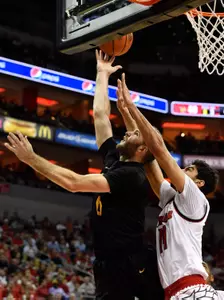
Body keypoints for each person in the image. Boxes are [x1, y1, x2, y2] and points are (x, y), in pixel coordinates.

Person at [4, 51, 163, 300]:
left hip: (128, 264)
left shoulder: (132, 175)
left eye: (134, 134)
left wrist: (31, 159)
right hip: (109, 263)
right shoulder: (117, 160)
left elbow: (74, 183)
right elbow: (100, 116)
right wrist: (101, 74)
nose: (127, 133)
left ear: (143, 149)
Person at [118, 73, 220, 299]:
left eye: (190, 169)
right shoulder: (170, 199)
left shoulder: (195, 199)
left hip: (194, 291)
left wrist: (134, 107)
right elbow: (148, 157)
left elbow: (160, 150)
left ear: (199, 183)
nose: (184, 170)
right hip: (175, 293)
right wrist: (127, 116)